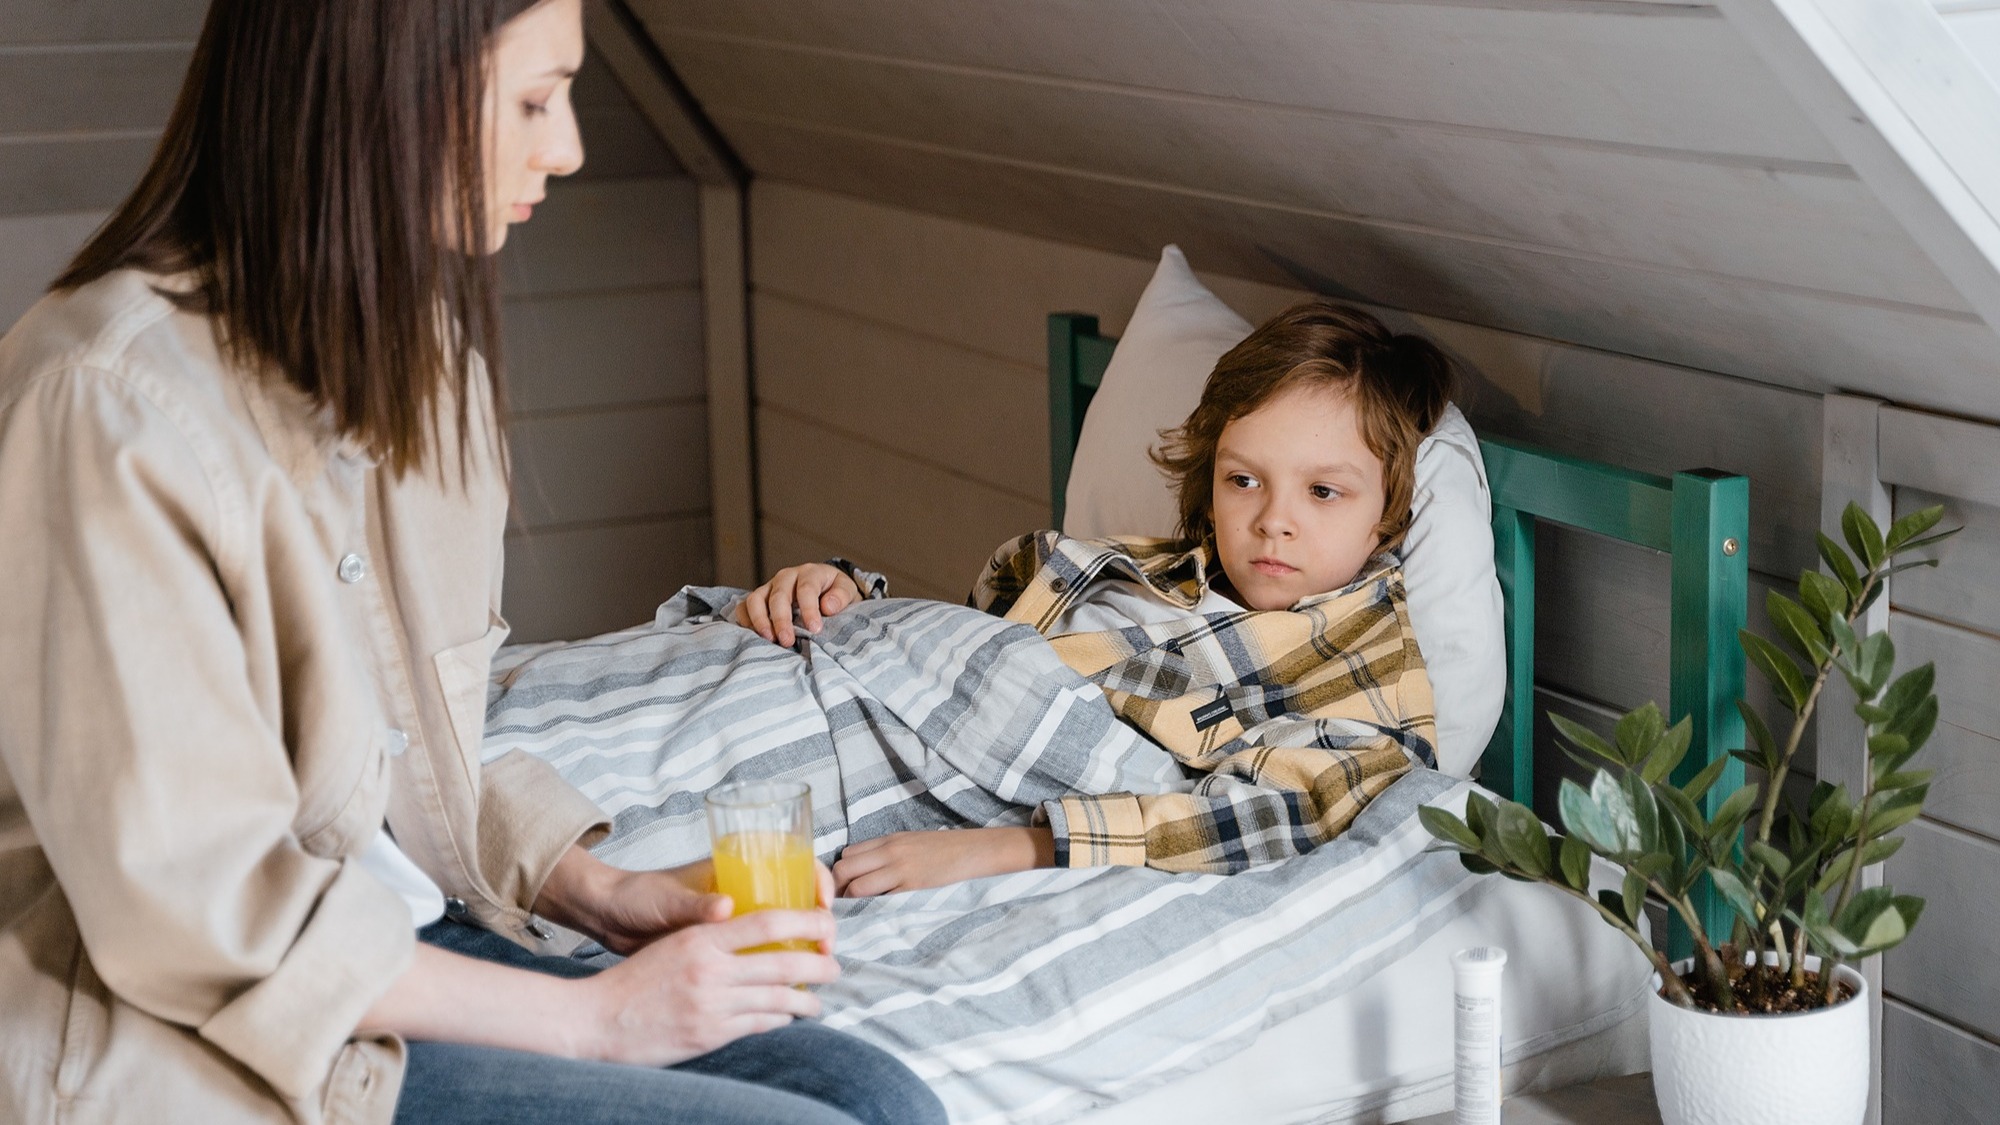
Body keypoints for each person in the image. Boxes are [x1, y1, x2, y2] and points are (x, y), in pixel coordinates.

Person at [0, 2, 946, 1124]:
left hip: (388, 936)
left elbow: (413, 730)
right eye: (534, 100)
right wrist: (601, 1020)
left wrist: (604, 894)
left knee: (862, 1090)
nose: (568, 147)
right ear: (379, 96)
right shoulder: (108, 402)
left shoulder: (415, 360)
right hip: (194, 1030)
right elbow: (195, 912)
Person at [738, 302, 1452, 895]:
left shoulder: (1367, 674)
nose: (1273, 518)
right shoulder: (1130, 567)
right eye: (1243, 480)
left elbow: (1278, 812)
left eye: (1323, 491)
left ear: (1387, 515)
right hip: (829, 692)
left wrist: (1013, 848)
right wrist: (844, 601)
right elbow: (975, 645)